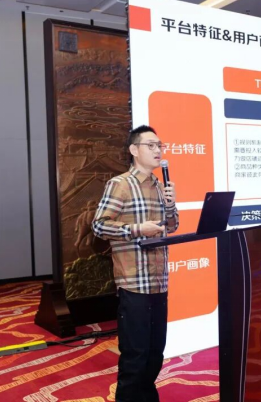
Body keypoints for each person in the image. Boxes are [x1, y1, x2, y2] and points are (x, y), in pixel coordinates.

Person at [92, 125, 179, 402]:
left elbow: (172, 226)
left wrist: (171, 205)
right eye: (150, 145)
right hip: (134, 283)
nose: (157, 150)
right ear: (134, 150)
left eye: (160, 145)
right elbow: (99, 225)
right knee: (135, 356)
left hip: (158, 282)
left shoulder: (160, 186)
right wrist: (137, 229)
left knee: (155, 353)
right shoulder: (120, 184)